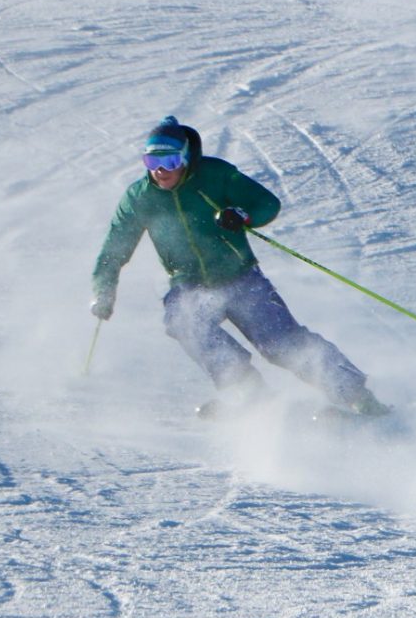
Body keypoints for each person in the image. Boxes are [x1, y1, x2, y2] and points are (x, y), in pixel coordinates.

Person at [90, 116, 387, 420]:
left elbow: (266, 203)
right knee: (183, 321)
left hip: (240, 277)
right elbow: (114, 248)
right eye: (152, 160)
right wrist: (103, 290)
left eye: (169, 159)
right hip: (189, 284)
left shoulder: (216, 175)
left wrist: (241, 214)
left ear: (186, 157)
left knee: (281, 344)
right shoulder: (139, 198)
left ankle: (357, 397)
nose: (161, 169)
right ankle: (251, 395)